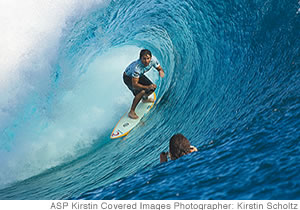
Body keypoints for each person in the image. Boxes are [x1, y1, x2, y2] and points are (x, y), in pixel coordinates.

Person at [123, 49, 165, 119]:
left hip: (139, 76)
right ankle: (131, 111)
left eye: (148, 58)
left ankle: (144, 99)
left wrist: (161, 71)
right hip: (128, 78)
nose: (146, 61)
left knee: (153, 88)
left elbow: (160, 69)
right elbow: (135, 85)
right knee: (141, 91)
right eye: (144, 59)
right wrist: (147, 87)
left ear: (151, 58)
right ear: (140, 59)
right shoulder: (137, 67)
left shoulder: (153, 60)